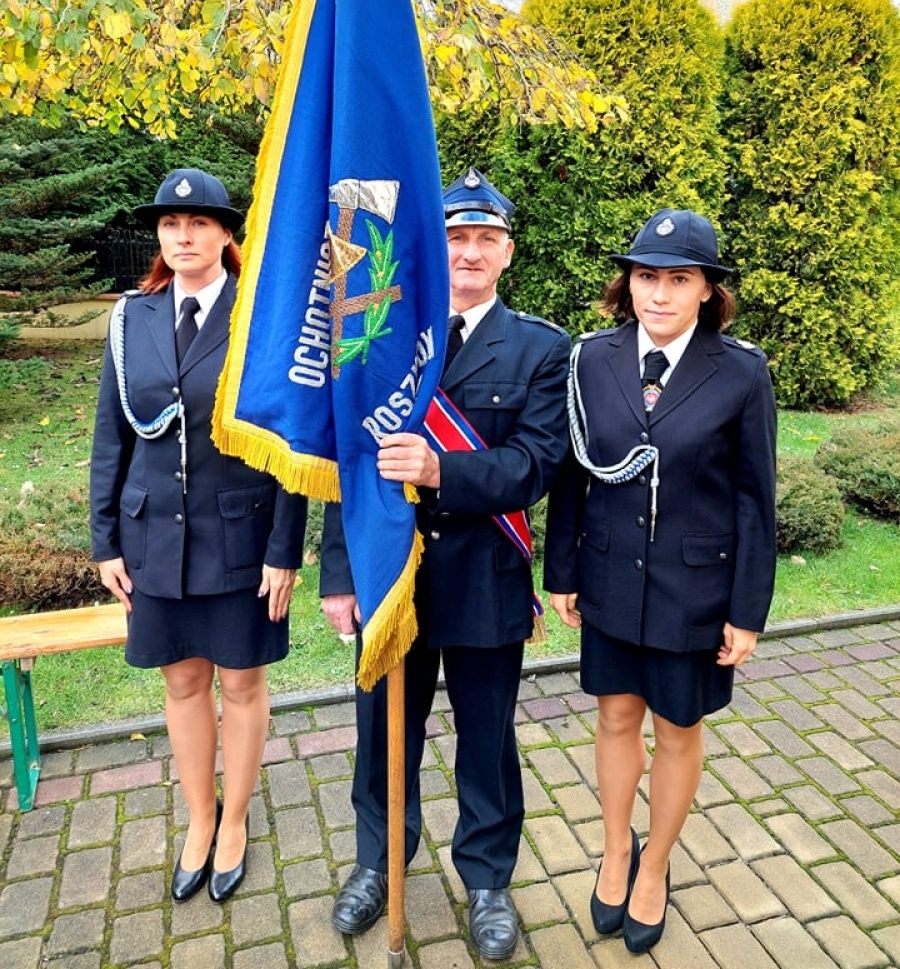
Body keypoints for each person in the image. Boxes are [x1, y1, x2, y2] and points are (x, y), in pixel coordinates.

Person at [319, 168, 570, 961]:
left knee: (486, 737)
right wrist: (338, 572)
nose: (469, 252)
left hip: (483, 574)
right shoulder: (382, 330)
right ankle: (377, 861)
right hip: (390, 572)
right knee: (379, 733)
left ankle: (488, 878)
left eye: (485, 239)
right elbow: (347, 462)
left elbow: (536, 464)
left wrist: (441, 472)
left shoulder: (540, 347)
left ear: (507, 253)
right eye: (456, 237)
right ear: (437, 246)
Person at [544, 208, 776, 956]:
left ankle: (657, 867)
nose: (660, 294)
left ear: (708, 289)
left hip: (695, 591)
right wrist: (564, 572)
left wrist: (747, 611)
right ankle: (617, 849)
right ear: (628, 283)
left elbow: (754, 498)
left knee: (678, 729)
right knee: (615, 718)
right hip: (610, 576)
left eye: (680, 279)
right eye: (648, 276)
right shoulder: (590, 360)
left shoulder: (740, 371)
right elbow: (571, 476)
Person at [90, 168, 307, 905]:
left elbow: (290, 442)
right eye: (169, 224)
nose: (182, 236)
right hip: (153, 539)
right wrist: (105, 541)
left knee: (242, 682)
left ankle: (237, 821)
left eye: (198, 223)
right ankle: (199, 817)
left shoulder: (261, 319)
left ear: (224, 234)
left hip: (240, 537)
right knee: (182, 680)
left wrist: (285, 549)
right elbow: (110, 437)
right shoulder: (131, 320)